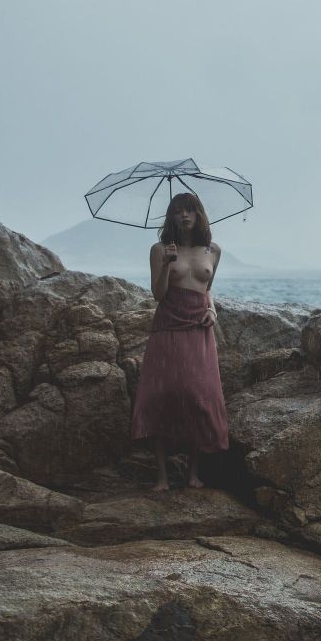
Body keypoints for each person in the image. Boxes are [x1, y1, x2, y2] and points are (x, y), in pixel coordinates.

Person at [131, 192, 228, 490]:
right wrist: (165, 264)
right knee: (161, 395)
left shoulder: (213, 250)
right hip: (168, 326)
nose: (184, 216)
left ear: (199, 215)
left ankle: (192, 473)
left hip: (199, 327)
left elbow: (207, 288)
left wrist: (212, 309)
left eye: (189, 210)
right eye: (177, 211)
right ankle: (161, 476)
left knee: (198, 397)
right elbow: (158, 294)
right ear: (171, 217)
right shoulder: (159, 249)